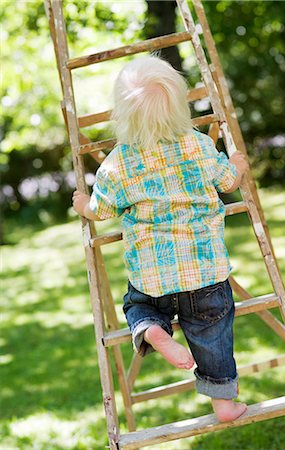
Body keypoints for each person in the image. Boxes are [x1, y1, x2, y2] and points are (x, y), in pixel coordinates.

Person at [73, 55, 249, 422]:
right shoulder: (197, 146)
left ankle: (152, 328)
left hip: (151, 276)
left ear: (122, 114)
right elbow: (228, 182)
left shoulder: (119, 163)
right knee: (213, 331)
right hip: (205, 272)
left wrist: (82, 204)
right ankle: (223, 404)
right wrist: (239, 165)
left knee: (138, 306)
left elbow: (101, 211)